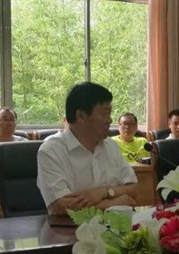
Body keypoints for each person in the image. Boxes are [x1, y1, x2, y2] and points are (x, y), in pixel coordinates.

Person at [37, 82, 138, 215]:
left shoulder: (111, 146)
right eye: (105, 114)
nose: (110, 120)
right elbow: (62, 206)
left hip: (116, 225)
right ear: (81, 116)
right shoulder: (51, 151)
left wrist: (103, 192)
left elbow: (133, 188)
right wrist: (111, 204)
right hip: (70, 227)